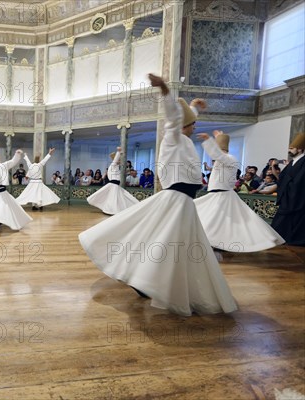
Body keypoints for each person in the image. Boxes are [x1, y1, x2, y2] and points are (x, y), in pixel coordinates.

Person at [78, 73, 237, 316]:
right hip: (176, 199)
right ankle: (145, 278)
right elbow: (174, 117)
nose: (195, 127)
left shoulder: (183, 139)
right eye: (192, 124)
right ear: (185, 126)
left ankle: (145, 278)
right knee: (165, 242)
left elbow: (183, 117)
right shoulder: (173, 138)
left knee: (164, 242)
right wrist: (164, 91)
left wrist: (193, 106)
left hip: (184, 200)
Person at [194, 130, 284, 252]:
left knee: (218, 220)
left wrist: (209, 141)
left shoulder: (229, 158)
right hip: (217, 194)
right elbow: (217, 157)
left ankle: (215, 242)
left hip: (223, 195)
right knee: (208, 216)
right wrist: (217, 139)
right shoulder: (221, 160)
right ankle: (212, 241)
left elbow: (217, 155)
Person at [271, 132, 305, 246]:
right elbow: (282, 178)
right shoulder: (292, 162)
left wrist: (289, 189)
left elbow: (299, 182)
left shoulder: (303, 161)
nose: (289, 150)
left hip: (295, 198)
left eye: (292, 148)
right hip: (287, 197)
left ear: (300, 149)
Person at [86, 147, 138, 214]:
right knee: (114, 198)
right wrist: (119, 152)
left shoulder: (116, 168)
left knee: (121, 197)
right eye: (119, 160)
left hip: (115, 185)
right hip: (113, 185)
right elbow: (115, 160)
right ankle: (111, 210)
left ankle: (114, 209)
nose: (119, 161)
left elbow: (120, 173)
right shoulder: (113, 166)